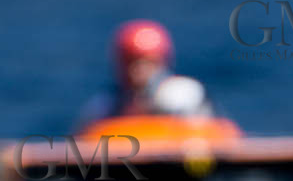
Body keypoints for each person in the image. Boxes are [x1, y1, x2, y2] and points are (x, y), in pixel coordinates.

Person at [77, 20, 213, 126]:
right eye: (131, 62)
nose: (138, 70)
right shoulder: (103, 107)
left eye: (147, 62)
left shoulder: (182, 95)